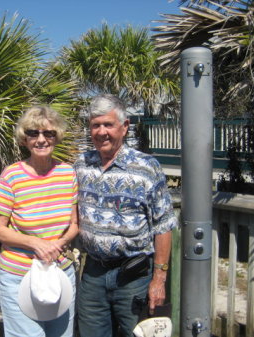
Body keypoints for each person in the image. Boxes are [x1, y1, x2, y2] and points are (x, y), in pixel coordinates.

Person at [74, 94, 178, 337]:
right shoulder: (81, 165)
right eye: (95, 125)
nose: (101, 132)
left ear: (125, 127)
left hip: (134, 277)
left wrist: (159, 280)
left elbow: (163, 225)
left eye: (108, 124)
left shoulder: (146, 166)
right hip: (93, 275)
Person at [0, 106, 79, 337]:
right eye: (33, 133)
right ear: (24, 139)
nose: (41, 139)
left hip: (60, 271)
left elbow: (74, 224)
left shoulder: (68, 173)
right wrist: (36, 243)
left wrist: (57, 244)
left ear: (56, 137)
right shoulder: (12, 175)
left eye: (48, 134)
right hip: (20, 275)